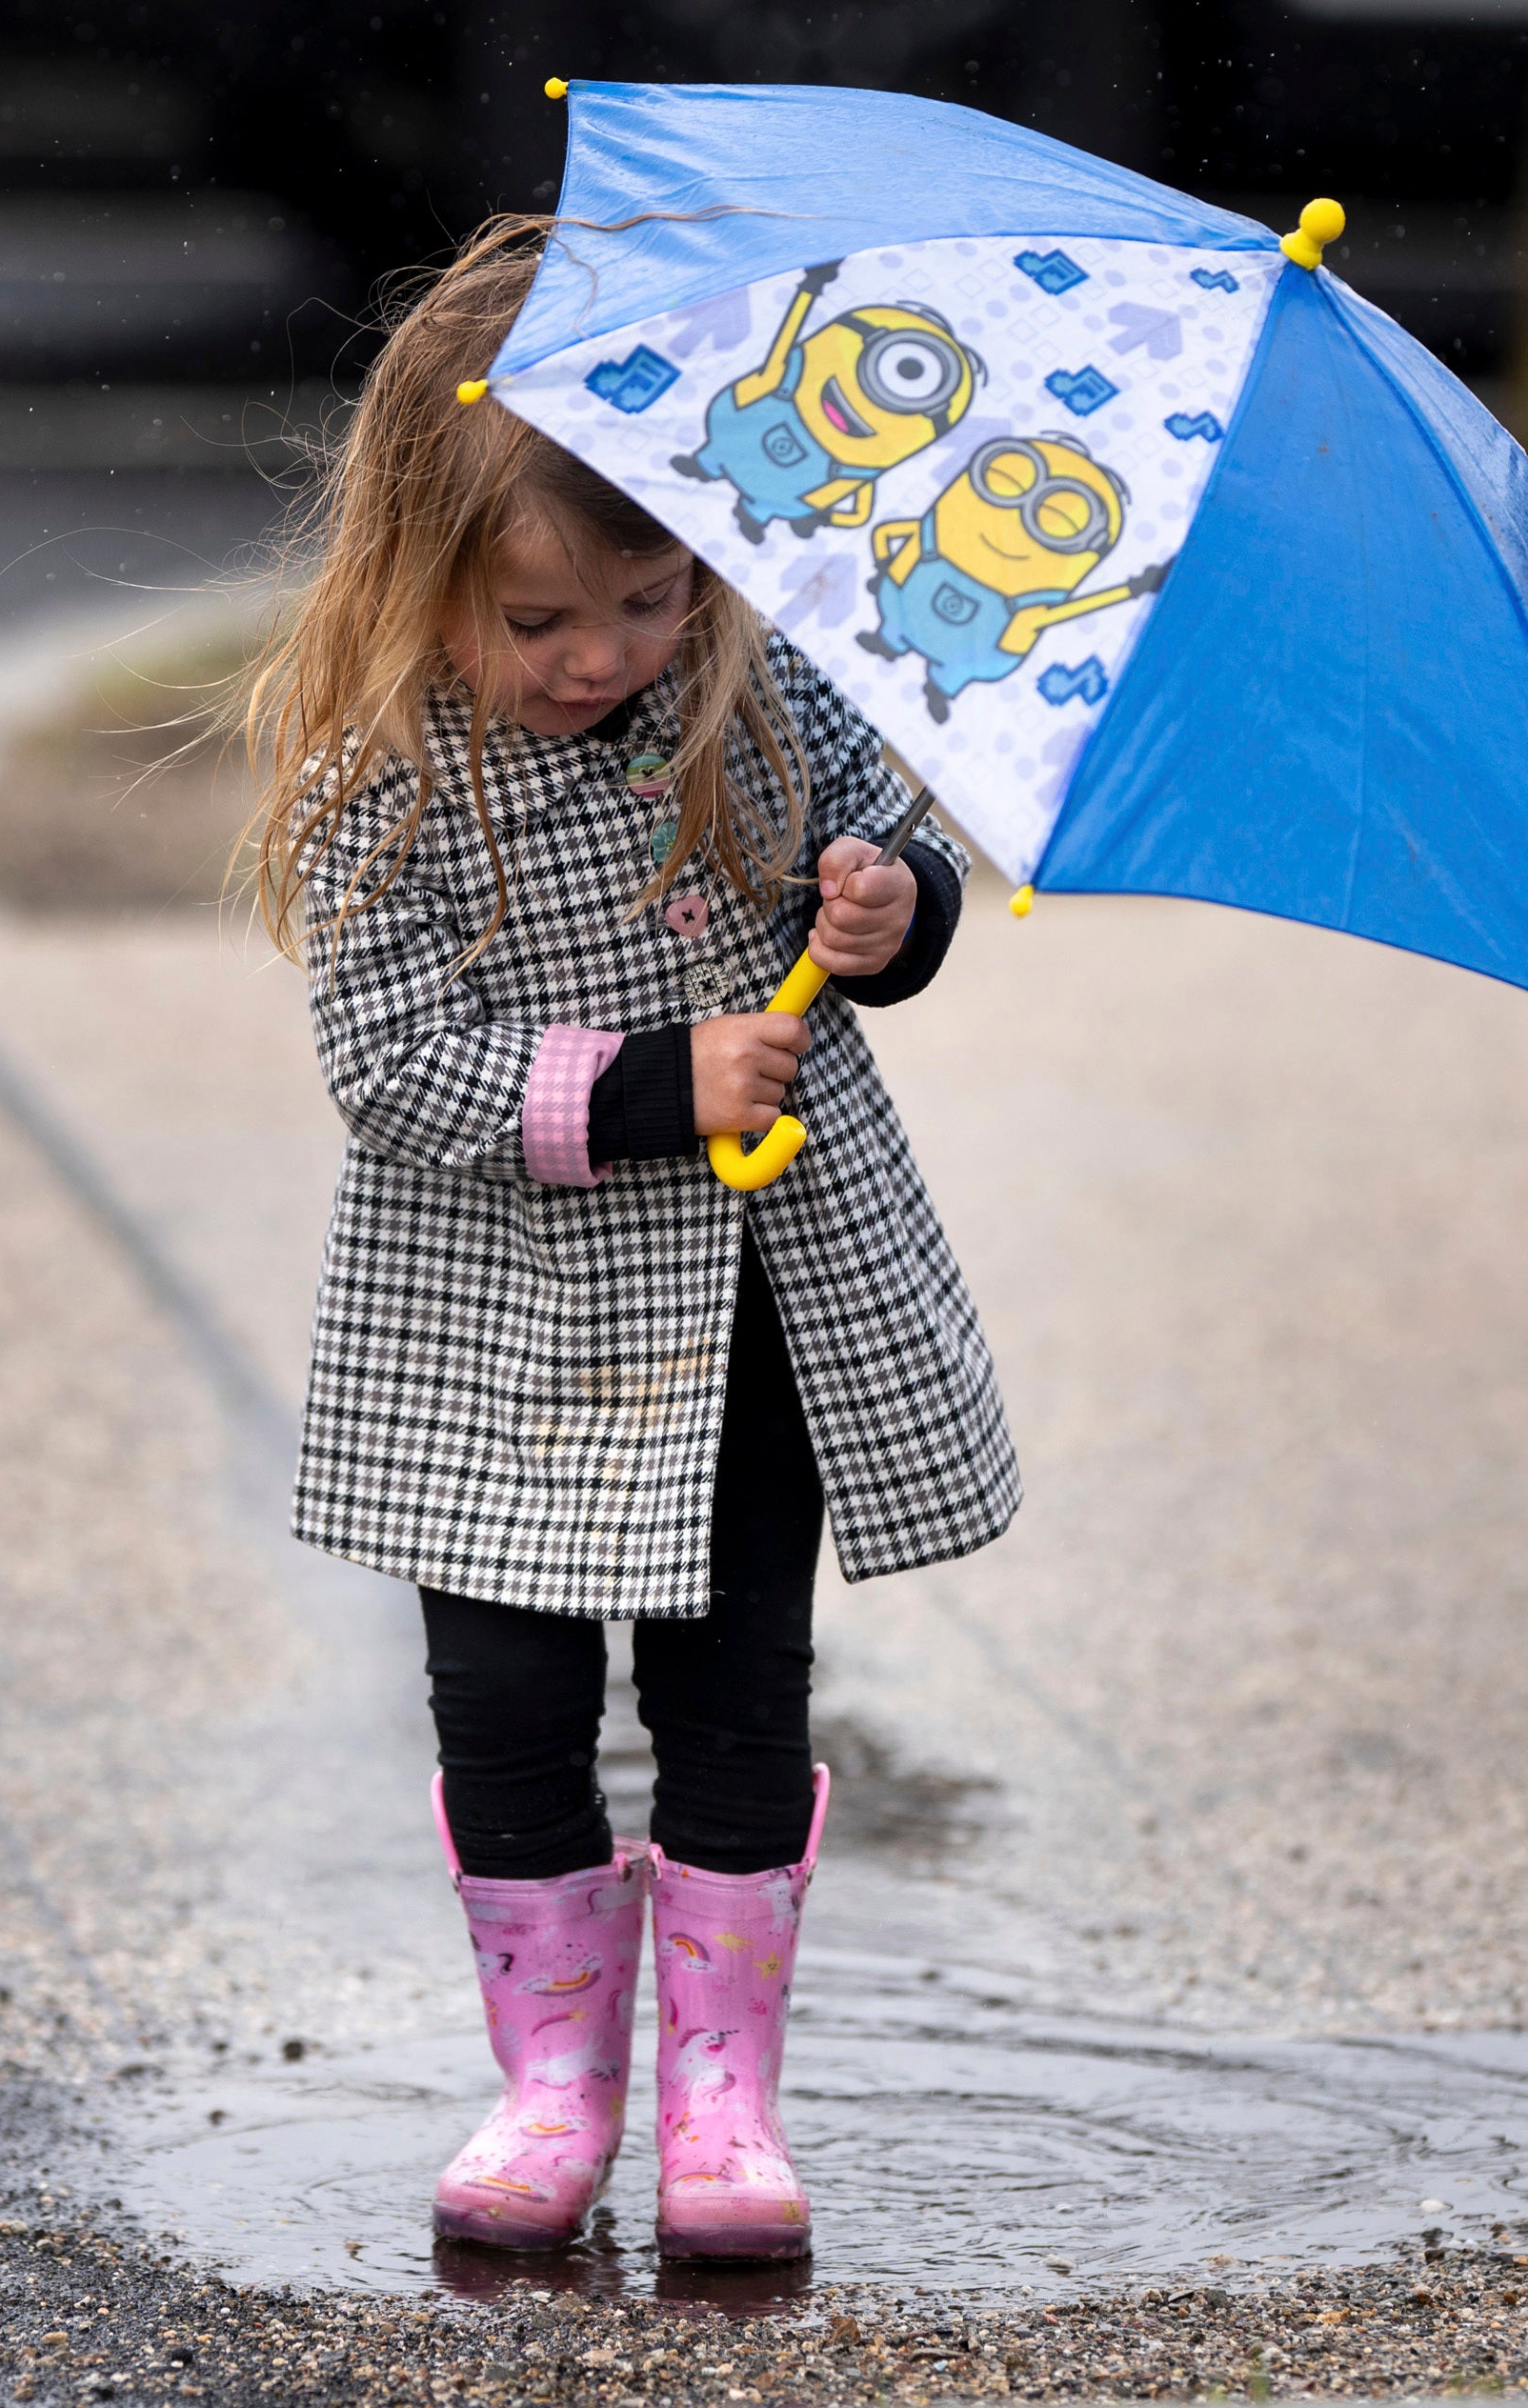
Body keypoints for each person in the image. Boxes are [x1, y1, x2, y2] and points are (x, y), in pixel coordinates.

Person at [239, 220, 1019, 2263]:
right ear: (421, 578)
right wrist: (659, 1083)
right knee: (501, 1699)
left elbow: (905, 870)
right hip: (494, 1318)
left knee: (737, 1692)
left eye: (645, 596)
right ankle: (553, 2081)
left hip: (751, 1303)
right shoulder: (385, 788)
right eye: (537, 618)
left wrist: (885, 916)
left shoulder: (760, 708)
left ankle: (720, 2101)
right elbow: (386, 1061)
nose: (601, 656)